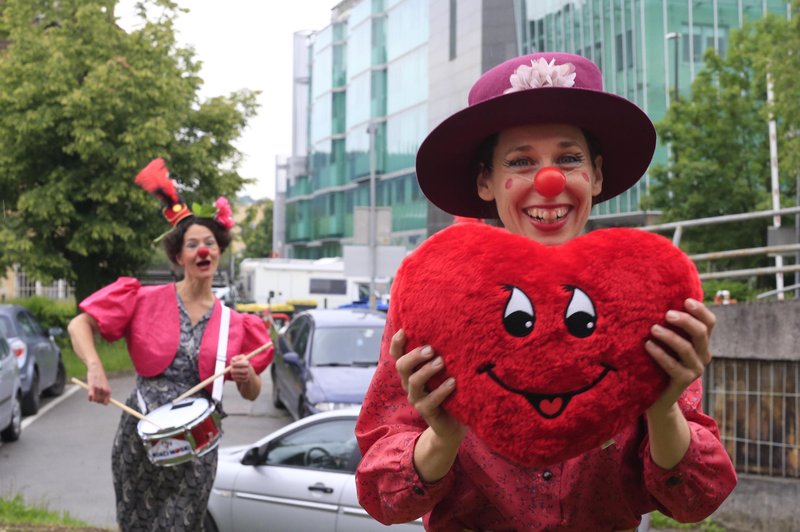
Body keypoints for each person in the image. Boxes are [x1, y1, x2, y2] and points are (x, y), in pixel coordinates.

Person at [354, 52, 737, 531]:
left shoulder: (643, 299)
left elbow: (695, 501)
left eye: (568, 158)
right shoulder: (439, 298)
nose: (548, 180)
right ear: (485, 182)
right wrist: (443, 437)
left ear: (595, 175)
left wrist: (663, 407)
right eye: (521, 161)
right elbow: (383, 497)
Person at [68, 159, 273, 531]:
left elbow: (254, 392)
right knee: (136, 524)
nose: (202, 250)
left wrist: (246, 376)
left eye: (209, 243)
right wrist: (95, 368)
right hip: (140, 434)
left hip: (198, 443)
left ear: (218, 253)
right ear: (179, 257)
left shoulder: (235, 322)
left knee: (182, 524)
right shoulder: (141, 299)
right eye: (192, 244)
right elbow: (80, 324)